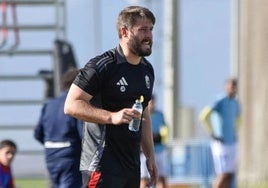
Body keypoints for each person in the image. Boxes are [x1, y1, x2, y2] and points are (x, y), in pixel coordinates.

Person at [64, 6, 158, 188]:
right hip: (100, 164)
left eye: (151, 29)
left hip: (131, 165)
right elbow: (71, 105)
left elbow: (144, 115)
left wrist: (150, 156)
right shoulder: (103, 65)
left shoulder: (147, 70)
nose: (149, 36)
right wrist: (112, 117)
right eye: (142, 30)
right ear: (125, 31)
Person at [34, 68, 83, 188]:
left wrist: (51, 144)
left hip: (51, 156)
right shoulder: (75, 106)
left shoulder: (49, 105)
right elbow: (83, 135)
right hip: (70, 158)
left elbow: (37, 133)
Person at [199, 77, 241, 188]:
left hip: (232, 142)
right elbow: (203, 116)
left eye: (235, 86)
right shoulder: (220, 101)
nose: (233, 89)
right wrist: (212, 133)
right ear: (226, 87)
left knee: (230, 175)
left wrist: (235, 132)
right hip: (221, 143)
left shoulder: (236, 103)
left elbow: (238, 119)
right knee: (223, 174)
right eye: (231, 86)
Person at [140, 95, 168, 188]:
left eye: (153, 101)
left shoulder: (160, 115)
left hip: (159, 150)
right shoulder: (140, 114)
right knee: (144, 178)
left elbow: (165, 130)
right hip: (145, 152)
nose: (152, 104)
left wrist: (160, 136)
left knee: (161, 178)